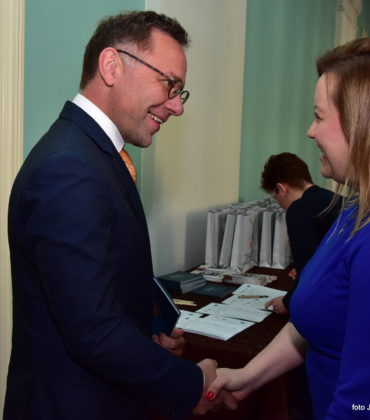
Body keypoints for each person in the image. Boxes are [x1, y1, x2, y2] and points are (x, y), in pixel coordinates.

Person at [4, 11, 236, 420]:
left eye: (180, 92)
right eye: (169, 85)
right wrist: (188, 385)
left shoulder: (90, 154)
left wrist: (147, 338)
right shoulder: (70, 167)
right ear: (111, 66)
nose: (176, 106)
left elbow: (97, 295)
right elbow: (92, 330)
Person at [205, 33, 370, 419]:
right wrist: (247, 376)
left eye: (319, 116)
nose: (310, 131)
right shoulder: (358, 208)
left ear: (366, 125)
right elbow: (318, 318)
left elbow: (365, 407)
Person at [261, 152, 340, 315]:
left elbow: (308, 270)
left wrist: (287, 302)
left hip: (324, 303)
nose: (278, 203)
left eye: (274, 196)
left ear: (281, 188)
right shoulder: (333, 198)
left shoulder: (298, 210)